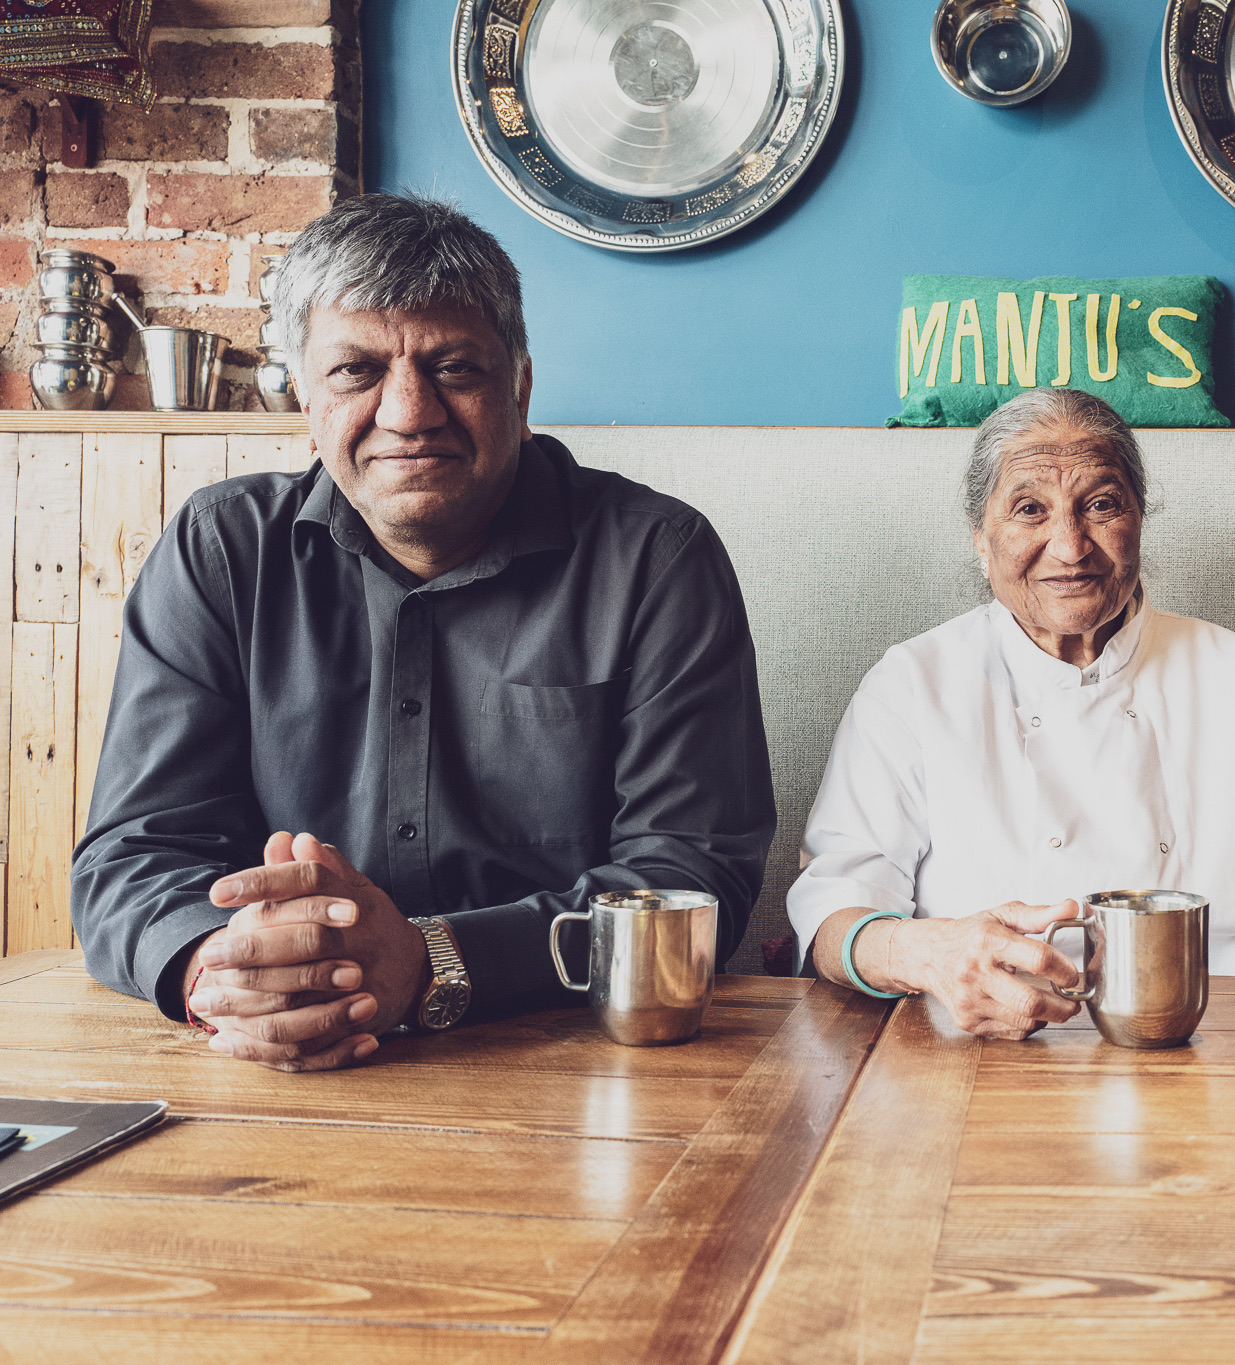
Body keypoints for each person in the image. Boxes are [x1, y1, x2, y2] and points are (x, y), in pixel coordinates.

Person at [71, 195, 774, 1071]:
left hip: (571, 1065)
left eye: (453, 368)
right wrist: (220, 967)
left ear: (519, 386)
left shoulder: (657, 558)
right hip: (264, 1061)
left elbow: (690, 879)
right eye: (357, 372)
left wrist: (436, 962)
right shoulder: (220, 550)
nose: (409, 412)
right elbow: (131, 855)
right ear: (303, 393)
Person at [787, 388, 1235, 1039]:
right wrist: (926, 953)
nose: (1070, 545)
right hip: (990, 1060)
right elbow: (833, 917)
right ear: (980, 534)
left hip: (1227, 1055)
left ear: (1140, 517)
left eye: (1101, 505)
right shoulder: (913, 685)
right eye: (1030, 509)